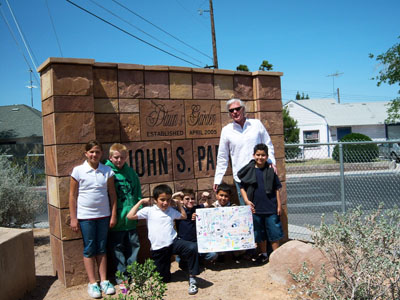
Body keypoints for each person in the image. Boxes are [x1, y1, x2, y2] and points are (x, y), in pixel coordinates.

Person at [126, 184, 200, 295]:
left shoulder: (171, 210)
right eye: (162, 200)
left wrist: (178, 205)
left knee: (192, 247)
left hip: (173, 243)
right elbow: (130, 216)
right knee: (164, 279)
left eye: (168, 200)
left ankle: (192, 276)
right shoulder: (149, 211)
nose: (165, 203)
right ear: (155, 200)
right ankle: (166, 270)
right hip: (158, 249)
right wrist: (140, 202)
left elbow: (183, 216)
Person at [69, 140, 117, 299]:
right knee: (90, 248)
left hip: (103, 216)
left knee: (102, 248)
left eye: (97, 152)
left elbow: (112, 194)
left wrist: (113, 214)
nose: (94, 155)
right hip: (85, 217)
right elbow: (72, 196)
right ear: (86, 153)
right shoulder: (78, 171)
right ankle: (93, 283)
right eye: (91, 152)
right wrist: (74, 218)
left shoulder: (107, 171)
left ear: (101, 154)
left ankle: (104, 280)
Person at [213, 98, 276, 206]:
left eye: (237, 109)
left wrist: (271, 162)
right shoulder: (227, 130)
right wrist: (218, 178)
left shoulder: (256, 124)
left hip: (260, 173)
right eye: (231, 110)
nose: (235, 112)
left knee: (264, 207)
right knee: (247, 210)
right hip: (241, 177)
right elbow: (222, 156)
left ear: (243, 109)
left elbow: (268, 144)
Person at [238, 143, 283, 264]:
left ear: (267, 156)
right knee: (260, 233)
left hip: (271, 207)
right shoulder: (249, 170)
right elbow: (242, 186)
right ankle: (263, 254)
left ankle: (276, 257)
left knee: (274, 233)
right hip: (256, 208)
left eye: (263, 155)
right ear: (253, 155)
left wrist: (279, 205)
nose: (260, 157)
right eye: (258, 155)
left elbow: (276, 189)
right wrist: (246, 201)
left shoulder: (271, 170)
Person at [105, 143, 142, 290]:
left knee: (134, 247)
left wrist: (139, 209)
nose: (119, 160)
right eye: (116, 157)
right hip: (117, 220)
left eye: (122, 157)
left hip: (131, 220)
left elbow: (137, 193)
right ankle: (122, 277)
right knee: (117, 250)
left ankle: (133, 274)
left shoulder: (131, 173)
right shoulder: (107, 172)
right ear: (110, 157)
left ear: (126, 157)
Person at [174, 188, 217, 267]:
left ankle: (199, 261)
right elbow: (170, 203)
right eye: (187, 199)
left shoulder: (197, 208)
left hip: (198, 243)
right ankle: (186, 259)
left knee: (213, 254)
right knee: (182, 260)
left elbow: (208, 204)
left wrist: (208, 197)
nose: (190, 201)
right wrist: (175, 195)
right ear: (182, 200)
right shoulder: (178, 210)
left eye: (192, 199)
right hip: (185, 244)